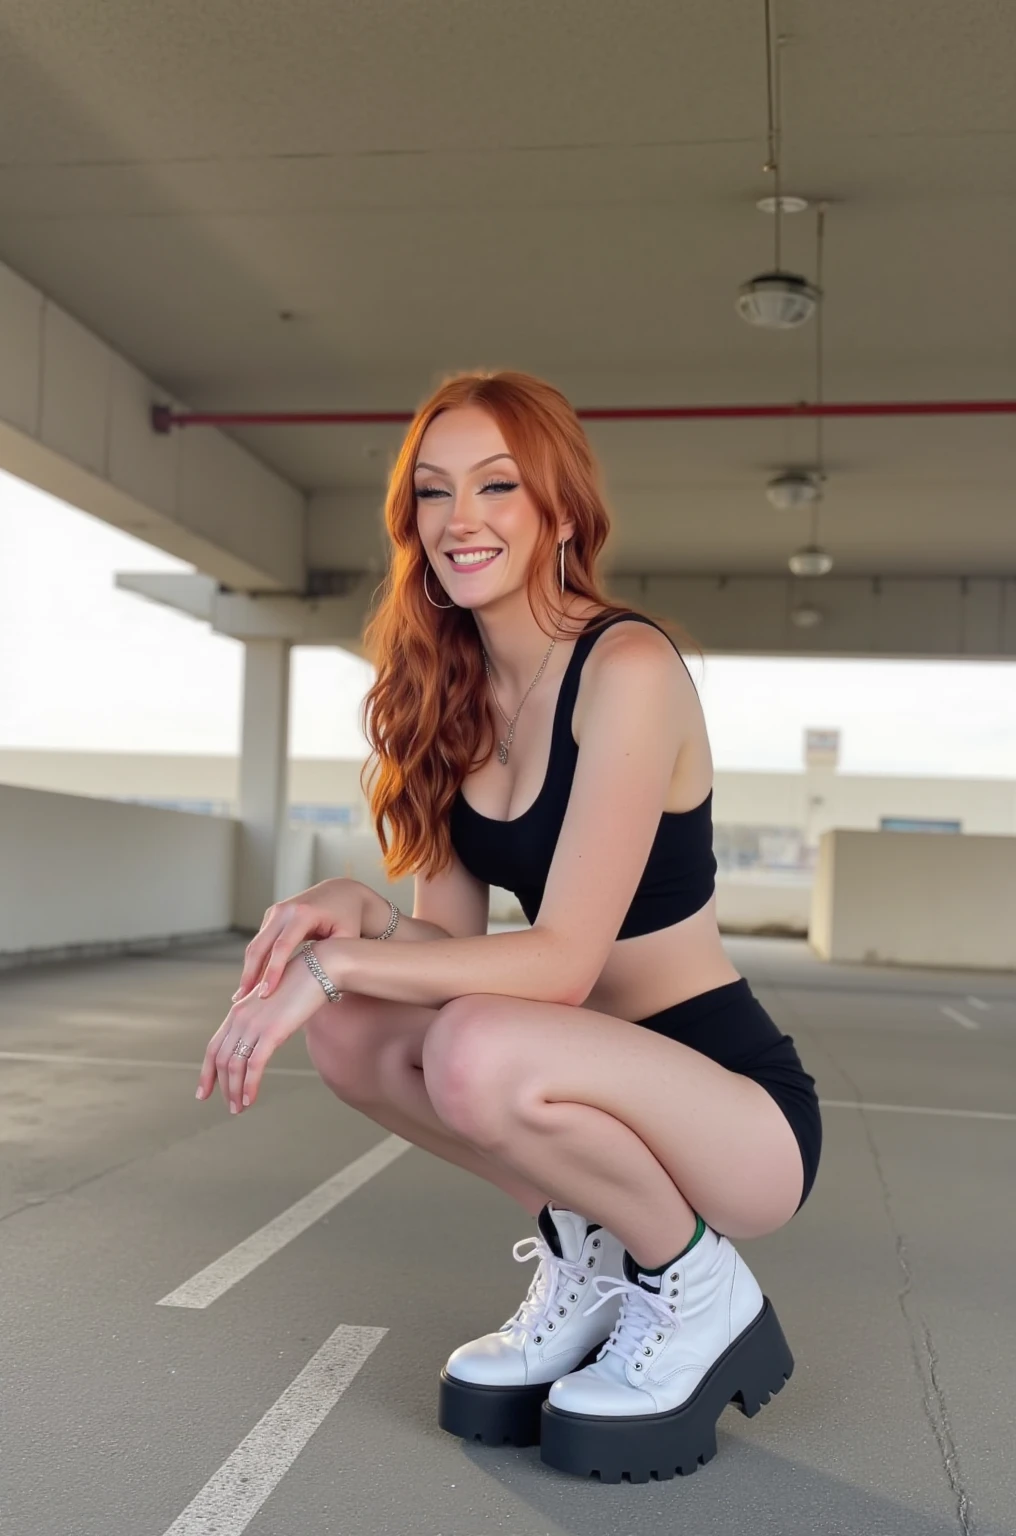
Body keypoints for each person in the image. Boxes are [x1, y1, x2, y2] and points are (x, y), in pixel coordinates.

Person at [196, 370, 822, 1484]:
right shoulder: (441, 690)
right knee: (357, 1031)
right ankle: (589, 1251)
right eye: (433, 493)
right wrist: (368, 917)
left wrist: (342, 963)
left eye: (496, 484)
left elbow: (562, 960)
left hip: (730, 1108)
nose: (461, 518)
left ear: (560, 511)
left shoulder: (627, 669)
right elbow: (446, 951)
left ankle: (693, 1279)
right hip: (574, 1068)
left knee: (469, 1043)